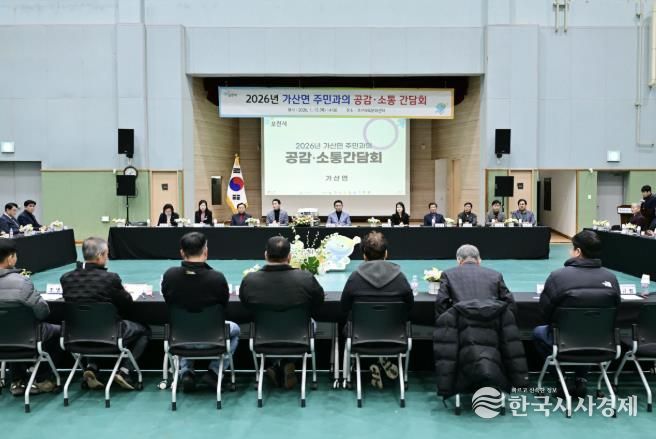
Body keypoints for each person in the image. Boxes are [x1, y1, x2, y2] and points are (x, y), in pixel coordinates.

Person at [534, 230, 620, 398]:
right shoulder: (611, 278)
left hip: (564, 341)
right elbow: (616, 310)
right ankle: (581, 379)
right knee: (589, 330)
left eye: (571, 248)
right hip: (601, 341)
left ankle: (560, 378)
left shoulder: (558, 276)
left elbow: (544, 312)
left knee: (539, 332)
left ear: (578, 251)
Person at [60, 237, 151, 390]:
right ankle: (125, 371)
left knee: (89, 322)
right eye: (106, 254)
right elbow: (127, 302)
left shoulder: (66, 278)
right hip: (110, 334)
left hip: (76, 335)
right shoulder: (110, 278)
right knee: (144, 330)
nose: (107, 257)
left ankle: (92, 366)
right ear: (100, 255)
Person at [239, 236, 325, 389]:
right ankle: (287, 363)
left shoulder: (250, 280)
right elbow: (318, 302)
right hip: (299, 336)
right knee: (311, 324)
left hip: (263, 336)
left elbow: (246, 305)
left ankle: (277, 364)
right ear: (289, 256)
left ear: (266, 255)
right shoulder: (306, 278)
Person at [161, 232, 239, 392]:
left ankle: (185, 371)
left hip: (179, 338)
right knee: (235, 329)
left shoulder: (169, 276)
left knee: (185, 326)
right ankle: (214, 372)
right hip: (213, 338)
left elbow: (168, 301)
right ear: (206, 251)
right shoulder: (217, 278)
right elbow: (224, 305)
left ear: (182, 252)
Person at [340, 231, 413, 388]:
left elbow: (344, 306)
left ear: (364, 255)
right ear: (386, 253)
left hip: (359, 337)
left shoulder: (354, 277)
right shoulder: (400, 277)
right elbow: (410, 305)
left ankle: (356, 372)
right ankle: (382, 360)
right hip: (395, 337)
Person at [0, 240, 60, 396]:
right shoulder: (22, 282)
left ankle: (17, 379)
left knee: (10, 328)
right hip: (26, 337)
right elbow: (42, 311)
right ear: (10, 259)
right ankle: (42, 377)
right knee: (56, 332)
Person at [435, 244, 516, 318]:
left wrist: (445, 321)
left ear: (458, 259)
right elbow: (509, 301)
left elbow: (441, 302)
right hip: (491, 323)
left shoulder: (448, 274)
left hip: (460, 323)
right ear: (479, 259)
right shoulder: (496, 274)